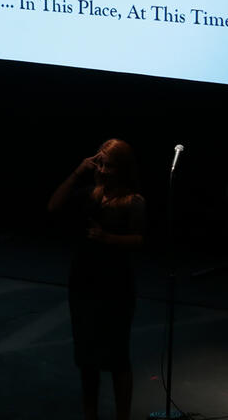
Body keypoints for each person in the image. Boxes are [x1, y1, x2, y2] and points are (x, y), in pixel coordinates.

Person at [48, 138, 145, 420]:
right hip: (83, 282)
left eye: (109, 166)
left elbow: (140, 239)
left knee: (117, 358)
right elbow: (53, 207)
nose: (102, 170)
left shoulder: (134, 202)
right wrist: (79, 171)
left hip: (115, 286)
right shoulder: (90, 194)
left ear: (123, 169)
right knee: (87, 359)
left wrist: (109, 239)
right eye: (100, 163)